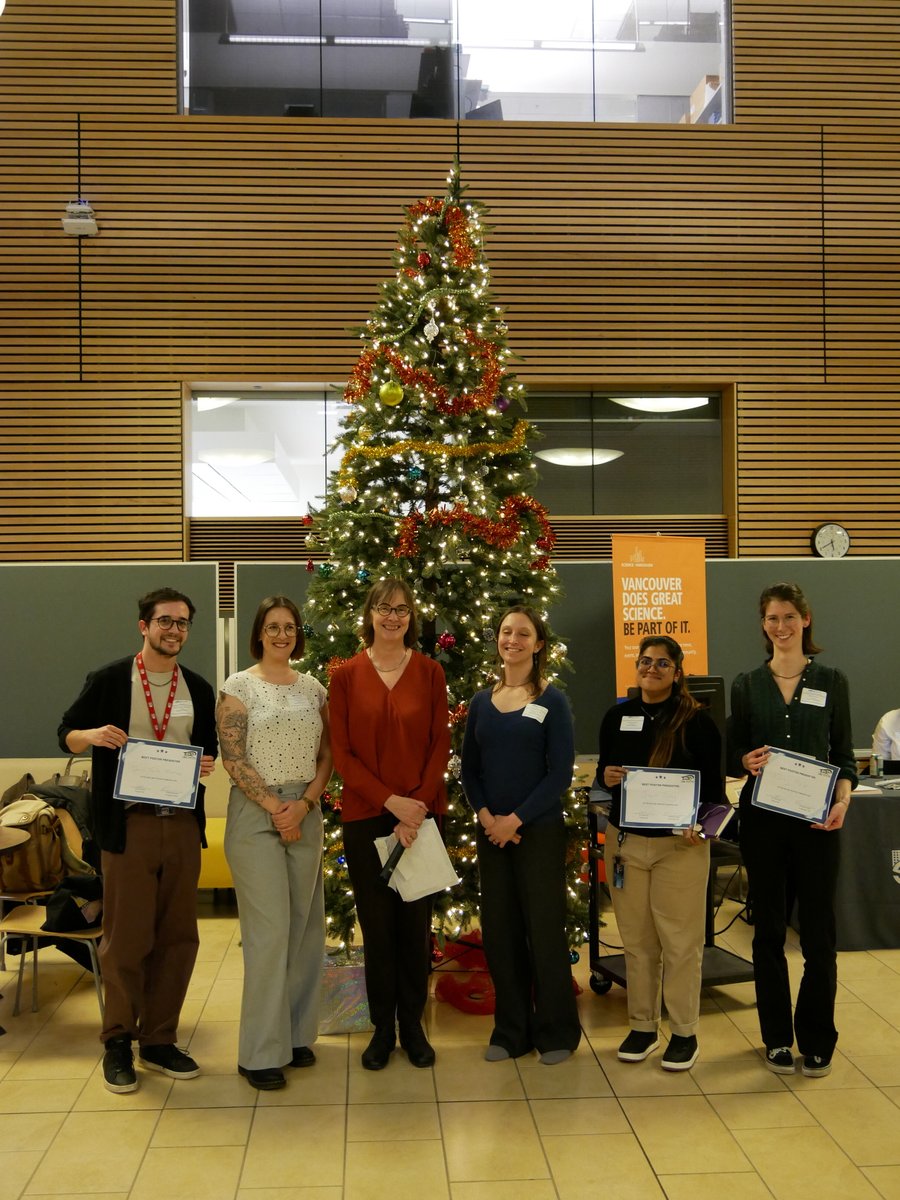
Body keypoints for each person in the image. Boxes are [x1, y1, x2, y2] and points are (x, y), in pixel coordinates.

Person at [58, 587, 217, 1094]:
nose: (175, 630)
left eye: (183, 623)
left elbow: (207, 749)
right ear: (143, 626)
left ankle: (159, 1038)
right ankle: (118, 1042)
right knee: (126, 937)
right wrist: (92, 737)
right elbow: (65, 731)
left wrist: (207, 764)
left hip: (183, 826)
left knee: (178, 937)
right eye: (165, 621)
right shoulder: (110, 680)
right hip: (129, 826)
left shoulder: (197, 687)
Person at [727, 581, 856, 1079]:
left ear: (805, 621)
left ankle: (818, 1038)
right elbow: (732, 751)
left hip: (818, 823)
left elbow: (843, 756)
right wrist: (743, 758)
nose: (780, 627)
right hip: (763, 825)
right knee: (768, 936)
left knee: (819, 936)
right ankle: (777, 1038)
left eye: (788, 617)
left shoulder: (831, 680)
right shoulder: (746, 684)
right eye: (771, 618)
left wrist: (843, 801)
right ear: (763, 625)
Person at [329, 578, 450, 1071]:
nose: (392, 617)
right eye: (383, 608)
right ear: (370, 615)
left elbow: (439, 744)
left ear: (411, 617)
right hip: (366, 817)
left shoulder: (430, 673)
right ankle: (382, 1029)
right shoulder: (345, 676)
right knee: (377, 929)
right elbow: (343, 754)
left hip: (420, 819)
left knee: (414, 928)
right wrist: (390, 802)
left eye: (401, 609)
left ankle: (413, 1027)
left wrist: (415, 806)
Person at [216, 596, 331, 1091]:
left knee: (304, 928)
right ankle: (259, 1052)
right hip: (255, 810)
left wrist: (303, 806)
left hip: (305, 809)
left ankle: (297, 1035)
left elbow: (328, 754)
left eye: (289, 627)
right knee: (269, 930)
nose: (281, 634)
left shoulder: (315, 689)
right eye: (272, 627)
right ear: (259, 634)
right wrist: (275, 809)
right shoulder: (238, 687)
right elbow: (233, 758)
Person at [461, 605, 581, 1065]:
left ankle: (556, 1032)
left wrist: (516, 820)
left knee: (544, 931)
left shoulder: (553, 702)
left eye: (523, 633)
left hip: (538, 833)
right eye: (506, 632)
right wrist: (489, 818)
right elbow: (470, 771)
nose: (512, 639)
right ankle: (512, 1031)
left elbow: (559, 775)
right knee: (500, 933)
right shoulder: (480, 702)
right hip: (492, 835)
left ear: (539, 644)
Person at [597, 635, 722, 1071]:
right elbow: (603, 776)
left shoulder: (698, 722)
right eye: (645, 661)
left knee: (681, 943)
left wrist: (700, 830)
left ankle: (684, 1032)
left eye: (662, 663)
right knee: (638, 941)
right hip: (627, 844)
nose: (651, 669)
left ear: (677, 671)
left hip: (679, 848)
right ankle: (643, 1025)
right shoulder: (618, 717)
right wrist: (608, 776)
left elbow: (717, 799)